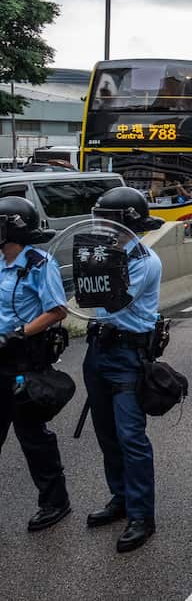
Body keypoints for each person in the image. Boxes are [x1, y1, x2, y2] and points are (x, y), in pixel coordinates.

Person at [83, 187, 165, 552]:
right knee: (106, 432)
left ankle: (141, 515)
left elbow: (113, 300)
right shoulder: (103, 252)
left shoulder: (145, 260)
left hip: (127, 354)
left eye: (107, 221)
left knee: (131, 436)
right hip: (98, 349)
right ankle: (120, 497)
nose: (101, 227)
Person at [0, 196, 72, 533]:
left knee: (31, 435)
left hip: (23, 359)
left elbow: (58, 310)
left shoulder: (40, 264)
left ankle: (55, 502)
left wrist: (18, 333)